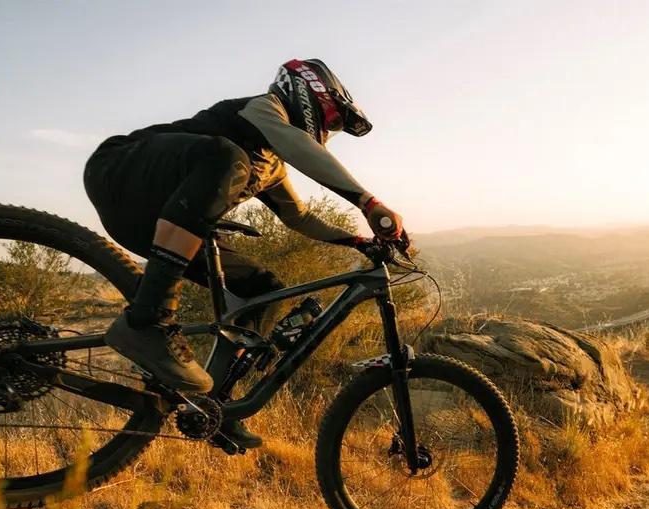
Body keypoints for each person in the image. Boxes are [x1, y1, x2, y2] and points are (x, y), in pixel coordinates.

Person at [83, 59, 406, 449]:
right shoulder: (262, 109)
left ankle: (212, 406)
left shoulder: (271, 164)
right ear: (311, 94)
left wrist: (355, 240)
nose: (329, 132)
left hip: (159, 220)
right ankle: (147, 322)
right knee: (227, 157)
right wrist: (368, 203)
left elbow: (298, 216)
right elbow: (299, 146)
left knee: (262, 291)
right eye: (333, 121)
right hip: (120, 168)